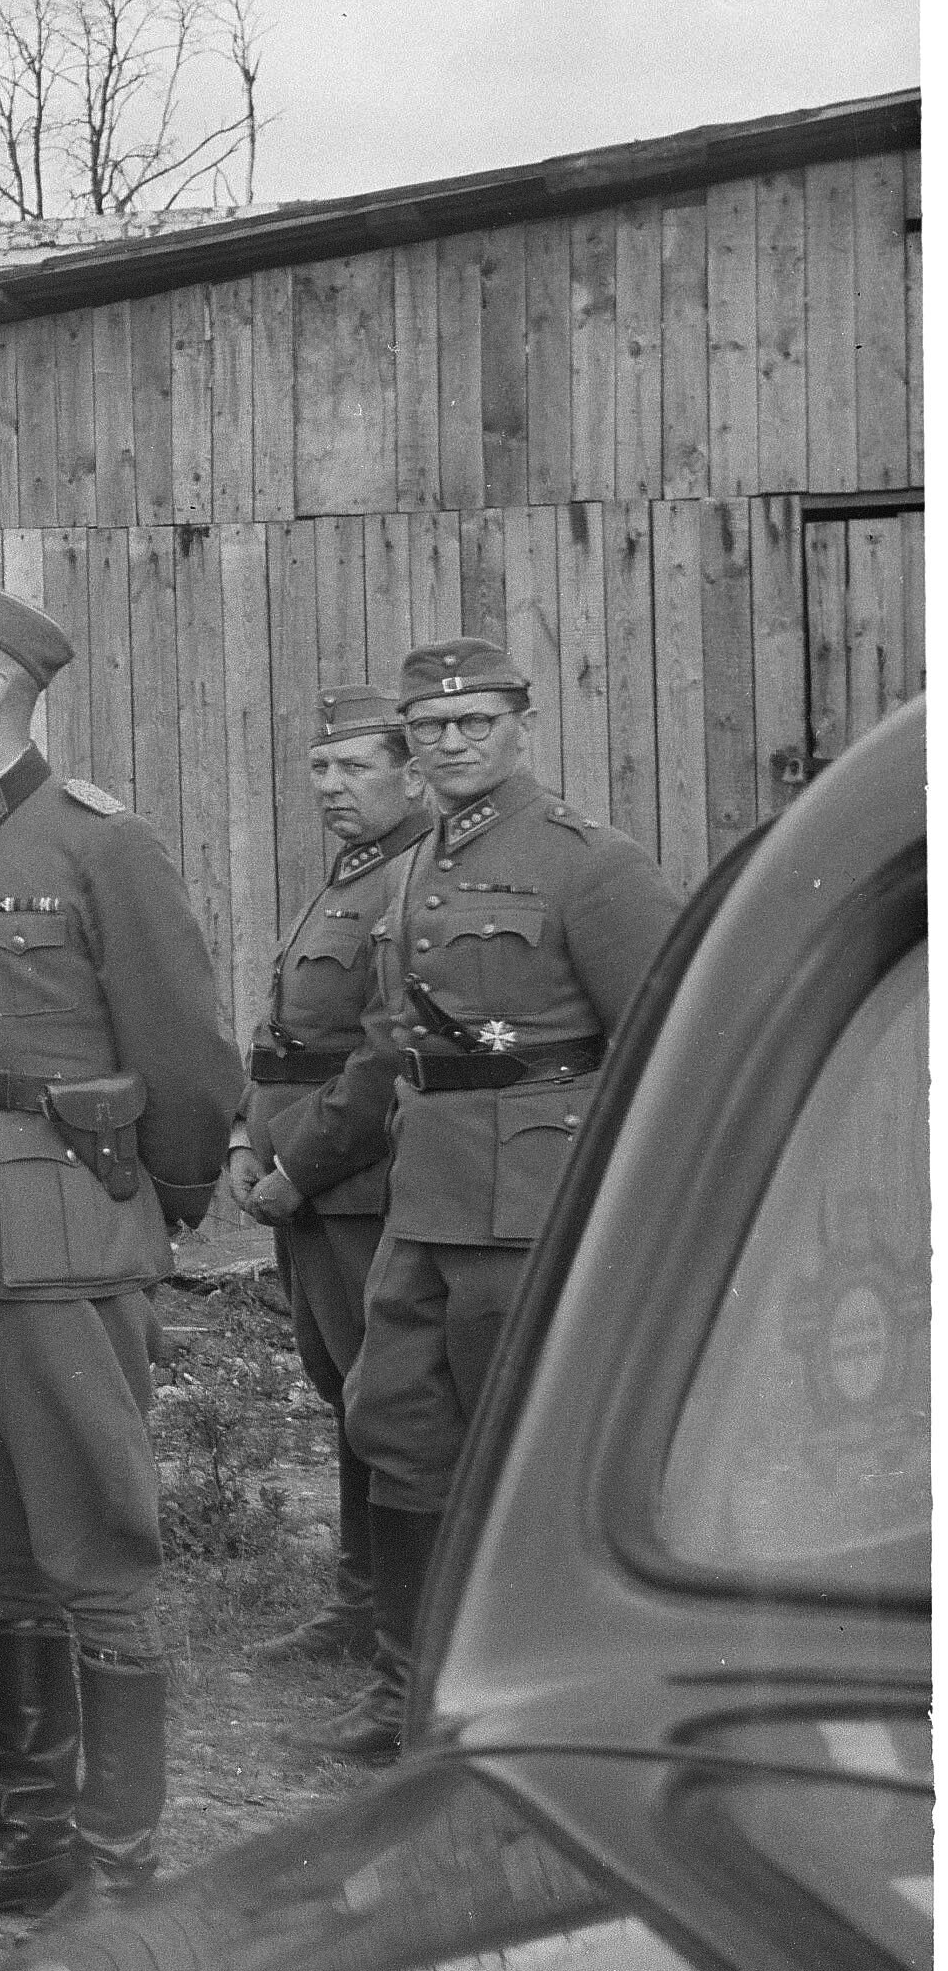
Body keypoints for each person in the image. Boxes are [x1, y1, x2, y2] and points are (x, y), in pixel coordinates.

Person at [0, 577, 241, 1940]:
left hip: (61, 1230)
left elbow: (185, 1055)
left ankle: (118, 1870)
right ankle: (23, 1838)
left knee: (95, 1546)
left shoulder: (100, 844)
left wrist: (158, 1204)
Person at [305, 637, 682, 1760]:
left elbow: (661, 1044)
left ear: (520, 726)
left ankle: (541, 1692)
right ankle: (408, 1686)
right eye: (430, 726)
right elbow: (396, 1037)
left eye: (475, 721)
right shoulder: (416, 860)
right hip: (427, 1188)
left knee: (526, 1439)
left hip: (535, 1197)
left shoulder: (587, 862)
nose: (453, 742)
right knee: (395, 1421)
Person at [219, 690, 435, 1680]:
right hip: (298, 1180)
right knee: (341, 1389)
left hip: (351, 1181)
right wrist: (242, 1134)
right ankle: (362, 1604)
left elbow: (383, 1055)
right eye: (319, 767)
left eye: (354, 767)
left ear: (410, 775)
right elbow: (284, 1032)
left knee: (382, 1399)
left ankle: (397, 1620)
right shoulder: (352, 874)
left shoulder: (412, 877)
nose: (330, 787)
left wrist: (295, 1168)